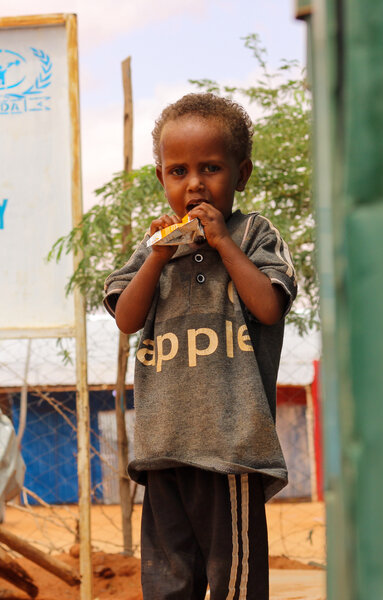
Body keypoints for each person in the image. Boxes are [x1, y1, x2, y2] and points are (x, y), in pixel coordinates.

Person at [103, 93, 297, 599]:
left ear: (241, 172)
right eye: (177, 171)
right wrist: (156, 255)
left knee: (233, 584)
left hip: (228, 449)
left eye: (210, 167)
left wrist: (223, 244)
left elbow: (268, 307)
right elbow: (127, 318)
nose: (194, 184)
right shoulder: (155, 248)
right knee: (167, 584)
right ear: (162, 178)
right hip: (163, 449)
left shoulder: (253, 234)